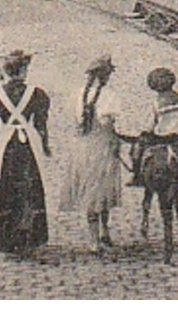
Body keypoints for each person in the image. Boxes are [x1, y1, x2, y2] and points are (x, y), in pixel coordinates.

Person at [0, 49, 51, 256]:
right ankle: (31, 235)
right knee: (30, 188)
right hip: (28, 144)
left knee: (8, 189)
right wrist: (45, 146)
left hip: (6, 145)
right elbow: (41, 125)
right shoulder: (37, 94)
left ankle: (8, 238)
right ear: (22, 70)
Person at [59, 54, 125, 252]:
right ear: (104, 76)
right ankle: (100, 234)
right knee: (102, 190)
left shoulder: (79, 94)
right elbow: (108, 124)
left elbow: (76, 120)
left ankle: (97, 236)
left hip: (82, 146)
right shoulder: (109, 96)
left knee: (90, 188)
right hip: (102, 144)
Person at [129, 66, 178, 187]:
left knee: (137, 148)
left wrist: (143, 131)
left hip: (163, 138)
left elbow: (150, 125)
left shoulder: (157, 103)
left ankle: (137, 177)